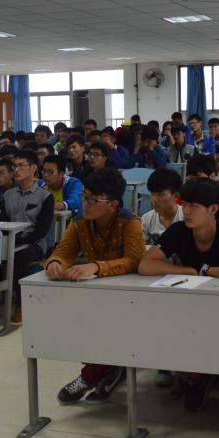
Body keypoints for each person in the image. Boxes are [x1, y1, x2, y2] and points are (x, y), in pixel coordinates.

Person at [139, 177, 219, 410]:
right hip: (192, 304)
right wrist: (187, 271)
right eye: (185, 204)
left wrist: (206, 270)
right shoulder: (179, 230)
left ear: (213, 209)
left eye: (193, 206)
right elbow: (146, 265)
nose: (187, 211)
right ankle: (196, 376)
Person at [49, 169, 144, 404]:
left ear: (112, 204)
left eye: (93, 200)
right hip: (96, 292)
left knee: (109, 327)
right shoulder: (79, 222)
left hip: (130, 295)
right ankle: (107, 370)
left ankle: (91, 376)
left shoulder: (130, 222)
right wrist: (55, 263)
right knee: (86, 328)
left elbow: (134, 260)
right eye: (85, 198)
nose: (86, 204)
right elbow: (63, 252)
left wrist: (96, 266)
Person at [0, 150, 55, 324]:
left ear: (33, 168)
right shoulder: (8, 195)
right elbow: (3, 224)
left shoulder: (45, 196)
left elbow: (41, 231)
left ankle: (21, 305)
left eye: (20, 166)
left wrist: (18, 241)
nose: (16, 170)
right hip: (11, 240)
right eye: (14, 166)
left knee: (20, 255)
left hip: (34, 243)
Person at [140, 168, 183, 245]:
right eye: (152, 194)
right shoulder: (146, 219)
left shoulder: (185, 218)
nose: (154, 200)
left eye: (160, 194)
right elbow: (143, 248)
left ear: (175, 196)